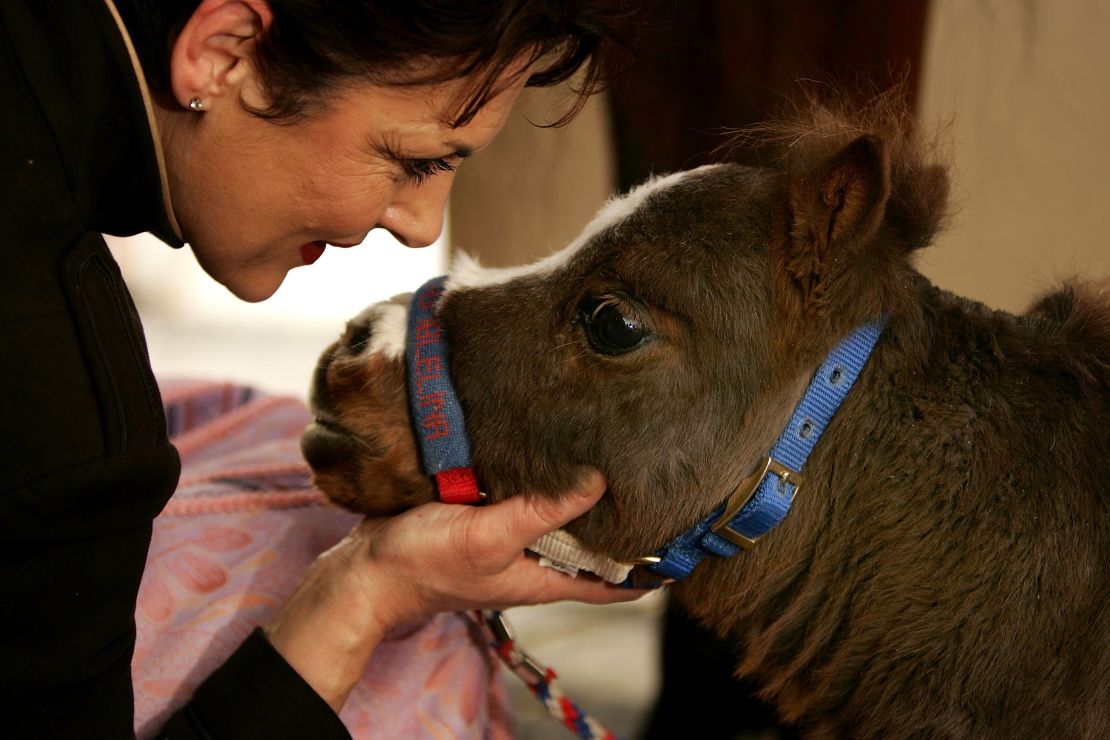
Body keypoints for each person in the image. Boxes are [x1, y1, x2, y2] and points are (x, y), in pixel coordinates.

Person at [0, 0, 640, 737]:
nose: (422, 226)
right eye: (413, 161)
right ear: (223, 52)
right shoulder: (59, 411)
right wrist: (370, 589)